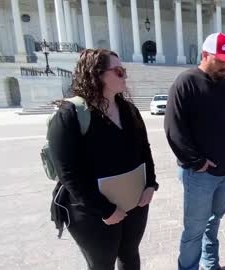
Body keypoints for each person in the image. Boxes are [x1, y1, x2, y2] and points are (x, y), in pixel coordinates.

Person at [48, 48, 159, 270]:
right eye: (118, 71)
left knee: (130, 257)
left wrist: (150, 184)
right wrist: (105, 210)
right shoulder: (69, 115)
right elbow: (67, 173)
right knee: (101, 265)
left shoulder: (129, 110)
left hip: (134, 203)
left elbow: (144, 151)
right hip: (92, 213)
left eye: (124, 70)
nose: (125, 75)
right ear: (97, 74)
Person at [164, 32, 225, 270]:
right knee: (194, 230)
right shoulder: (185, 82)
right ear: (205, 55)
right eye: (221, 60)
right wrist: (197, 162)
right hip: (199, 174)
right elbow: (173, 129)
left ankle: (210, 264)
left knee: (214, 222)